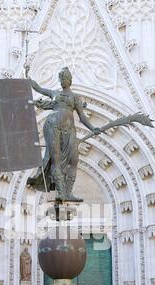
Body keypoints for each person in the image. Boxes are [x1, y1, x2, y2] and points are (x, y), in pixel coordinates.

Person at [27, 67, 101, 201]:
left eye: (65, 78)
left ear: (70, 80)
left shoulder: (75, 97)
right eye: (61, 78)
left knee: (74, 160)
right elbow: (38, 88)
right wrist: (27, 76)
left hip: (69, 129)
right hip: (52, 125)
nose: (62, 81)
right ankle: (61, 193)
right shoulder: (54, 93)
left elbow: (82, 116)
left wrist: (93, 128)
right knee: (55, 159)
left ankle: (68, 192)